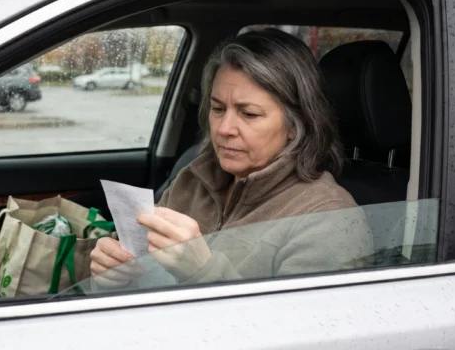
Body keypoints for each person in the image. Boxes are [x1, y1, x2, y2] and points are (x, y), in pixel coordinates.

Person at [90, 28, 373, 288]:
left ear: (295, 124)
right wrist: (110, 278)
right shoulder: (194, 178)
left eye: (249, 114)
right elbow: (139, 281)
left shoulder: (330, 219)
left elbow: (309, 334)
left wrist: (202, 271)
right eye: (217, 108)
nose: (224, 129)